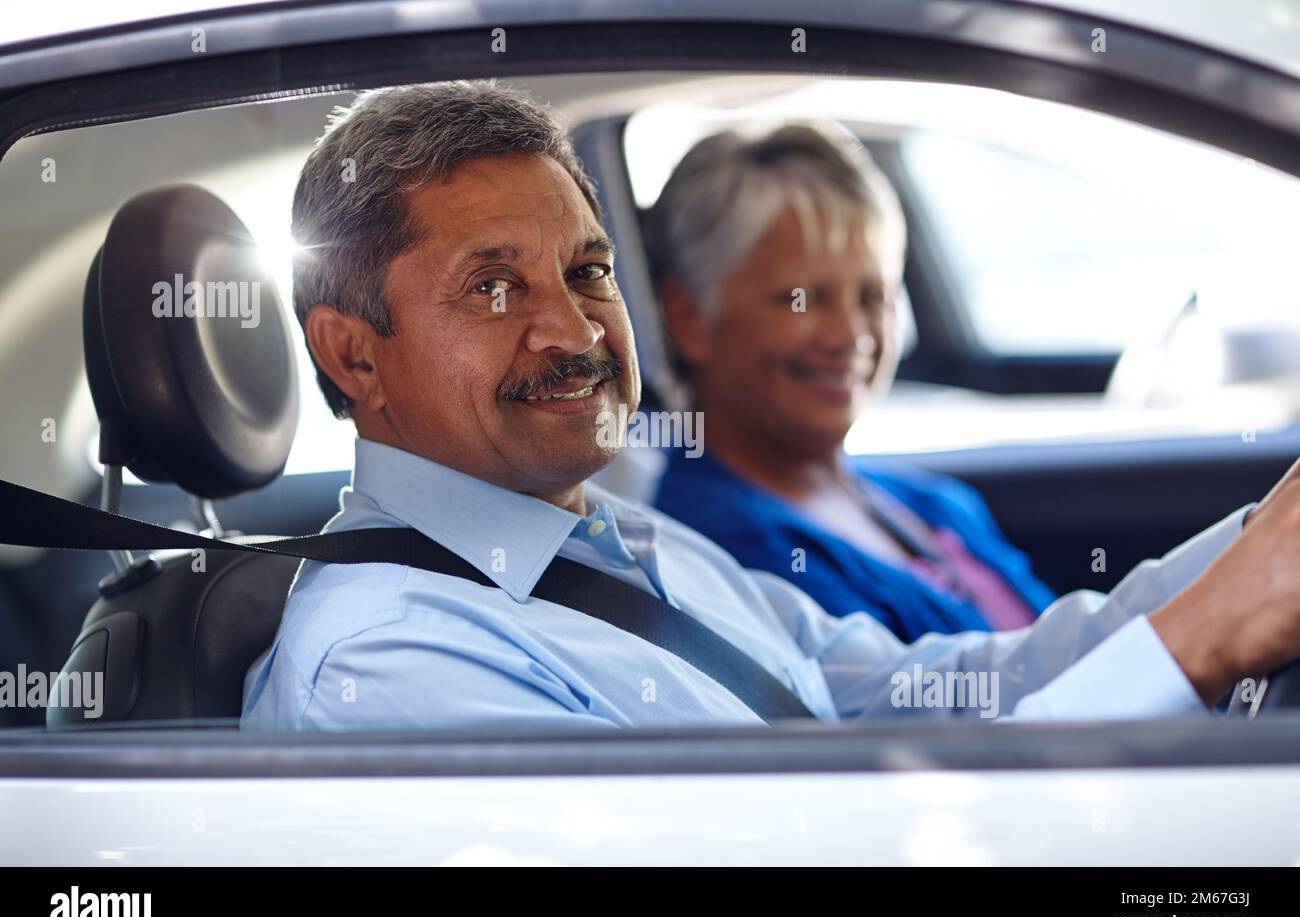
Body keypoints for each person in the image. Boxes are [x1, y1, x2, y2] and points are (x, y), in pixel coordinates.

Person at [242, 80, 1300, 732]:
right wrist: (1191, 647)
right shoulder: (389, 662)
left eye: (588, 269)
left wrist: (1251, 551)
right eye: (493, 285)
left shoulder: (631, 541)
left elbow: (930, 687)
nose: (573, 330)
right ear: (354, 354)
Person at [647, 124, 1054, 640]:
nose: (850, 335)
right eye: (803, 298)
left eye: (872, 297)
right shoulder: (730, 551)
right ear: (690, 319)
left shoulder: (931, 502)